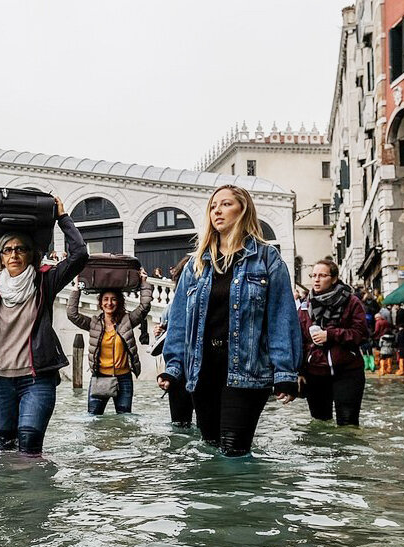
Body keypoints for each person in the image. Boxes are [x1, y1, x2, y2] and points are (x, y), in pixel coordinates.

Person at [158, 184, 301, 456]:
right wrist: (173, 367)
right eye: (213, 206)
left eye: (225, 204)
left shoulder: (266, 258)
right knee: (211, 449)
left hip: (247, 371)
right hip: (203, 371)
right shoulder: (196, 264)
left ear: (243, 210)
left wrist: (285, 373)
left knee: (234, 451)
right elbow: (178, 322)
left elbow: (281, 318)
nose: (217, 211)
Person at [0, 196, 88, 454]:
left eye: (21, 249)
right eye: (8, 250)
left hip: (37, 380)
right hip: (0, 382)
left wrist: (62, 218)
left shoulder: (45, 283)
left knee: (30, 446)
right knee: (1, 448)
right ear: (0, 256)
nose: (14, 254)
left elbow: (79, 255)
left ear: (31, 254)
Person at [66, 271, 153, 414]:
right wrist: (76, 288)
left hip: (124, 378)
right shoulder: (94, 323)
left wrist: (144, 282)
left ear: (119, 302)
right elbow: (72, 314)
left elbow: (144, 307)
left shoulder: (127, 321)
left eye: (113, 299)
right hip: (100, 377)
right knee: (93, 419)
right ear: (100, 303)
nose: (109, 303)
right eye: (105, 299)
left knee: (124, 419)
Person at [297, 258, 369, 426]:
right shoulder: (304, 306)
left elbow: (361, 334)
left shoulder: (352, 302)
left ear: (334, 278)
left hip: (348, 371)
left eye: (322, 275)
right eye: (314, 275)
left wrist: (330, 335)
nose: (316, 280)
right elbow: (299, 340)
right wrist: (299, 371)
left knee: (348, 424)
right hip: (315, 372)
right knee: (319, 423)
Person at [152, 259, 194, 426]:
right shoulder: (170, 308)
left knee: (181, 426)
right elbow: (166, 340)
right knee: (180, 425)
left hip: (185, 370)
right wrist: (160, 333)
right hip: (179, 371)